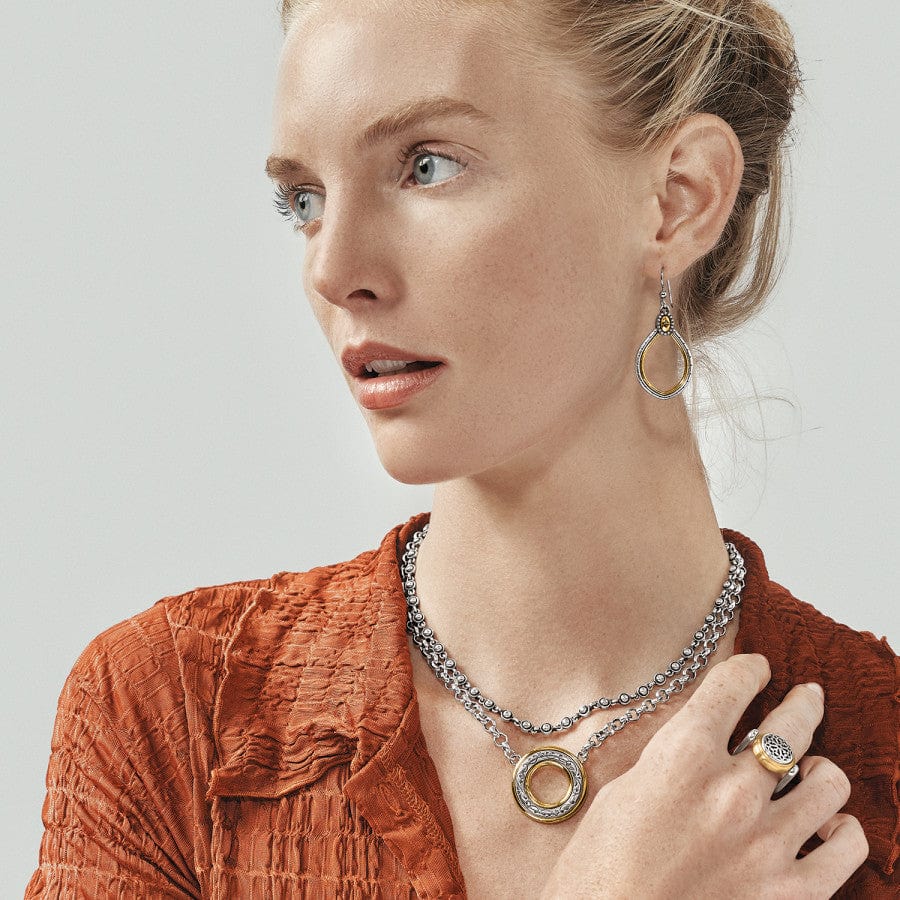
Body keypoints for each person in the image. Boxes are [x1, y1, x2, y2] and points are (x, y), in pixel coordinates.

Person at [25, 0, 897, 897]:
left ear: (678, 198)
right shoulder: (176, 719)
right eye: (305, 200)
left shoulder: (883, 765)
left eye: (425, 166)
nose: (333, 268)